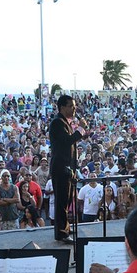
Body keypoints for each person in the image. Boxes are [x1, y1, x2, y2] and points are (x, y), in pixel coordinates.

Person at [49, 95, 89, 243]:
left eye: (74, 106)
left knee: (66, 200)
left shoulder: (65, 122)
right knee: (61, 201)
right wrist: (80, 129)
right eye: (71, 106)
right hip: (60, 167)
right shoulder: (57, 123)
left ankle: (64, 226)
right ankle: (61, 233)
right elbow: (67, 141)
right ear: (62, 107)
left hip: (67, 167)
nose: (74, 109)